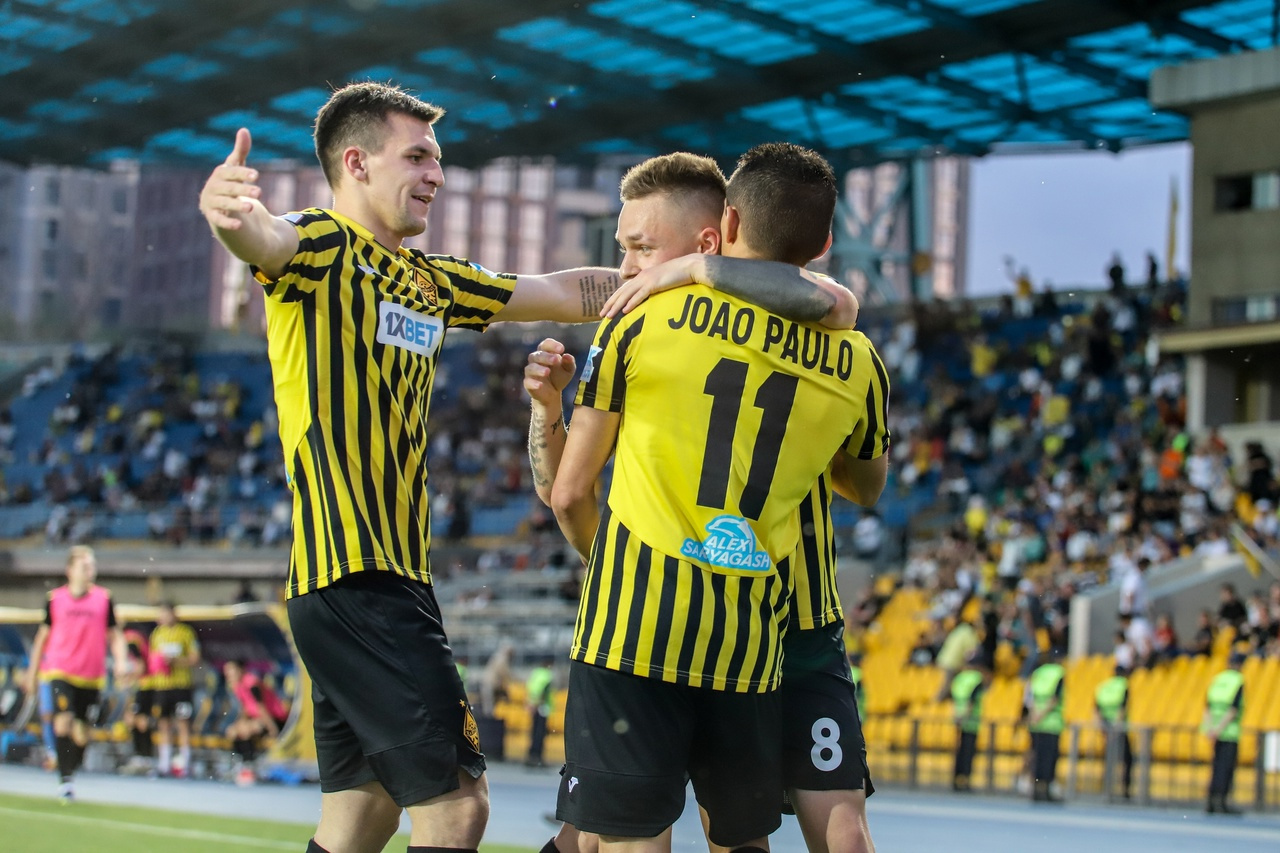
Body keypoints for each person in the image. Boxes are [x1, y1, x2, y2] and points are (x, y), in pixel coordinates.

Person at [198, 82, 855, 853]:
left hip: (372, 579)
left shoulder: (429, 281)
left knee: (362, 813)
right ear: (356, 163)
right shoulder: (319, 244)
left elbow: (559, 291)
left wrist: (690, 275)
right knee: (458, 809)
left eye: (437, 158)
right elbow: (267, 241)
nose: (437, 173)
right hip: (358, 575)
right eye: (418, 156)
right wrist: (230, 216)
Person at [526, 151, 885, 853]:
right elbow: (867, 485)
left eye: (641, 248)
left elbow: (567, 492)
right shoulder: (856, 357)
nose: (628, 268)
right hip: (758, 627)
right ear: (825, 242)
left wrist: (620, 560)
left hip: (639, 619)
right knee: (762, 834)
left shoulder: (644, 323)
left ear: (725, 228)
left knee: (608, 835)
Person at [21, 545, 129, 800]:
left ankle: (71, 768)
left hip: (91, 675)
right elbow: (42, 638)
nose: (90, 570)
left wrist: (121, 661)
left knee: (82, 733)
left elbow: (115, 636)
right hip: (60, 670)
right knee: (63, 720)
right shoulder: (55, 599)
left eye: (92, 566)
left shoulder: (103, 599)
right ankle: (65, 780)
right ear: (70, 570)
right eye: (84, 566)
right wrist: (32, 673)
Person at [147, 601, 200, 778]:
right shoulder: (157, 634)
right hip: (162, 686)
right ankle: (164, 764)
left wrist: (175, 661)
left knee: (183, 723)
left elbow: (195, 658)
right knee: (163, 723)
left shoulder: (186, 632)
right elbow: (153, 658)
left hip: (181, 686)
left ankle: (185, 763)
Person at [223, 659, 290, 785]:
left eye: (230, 670)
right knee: (232, 731)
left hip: (274, 719)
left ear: (240, 670)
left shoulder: (252, 683)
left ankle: (249, 766)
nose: (227, 674)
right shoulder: (237, 686)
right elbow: (245, 709)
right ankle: (241, 763)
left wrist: (272, 728)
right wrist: (239, 723)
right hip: (258, 719)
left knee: (246, 730)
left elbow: (261, 708)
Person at [1202, 650, 1246, 815]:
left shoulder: (1218, 679)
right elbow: (1233, 710)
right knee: (1225, 768)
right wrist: (1220, 728)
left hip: (1214, 730)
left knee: (1216, 767)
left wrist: (1210, 728)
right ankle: (1221, 802)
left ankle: (1211, 801)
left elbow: (1207, 705)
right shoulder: (1238, 680)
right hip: (1229, 731)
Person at [1026, 651, 1065, 803]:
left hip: (1036, 723)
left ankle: (1035, 789)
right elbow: (1055, 698)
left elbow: (1029, 697)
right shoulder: (1059, 673)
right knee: (1049, 758)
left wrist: (1034, 715)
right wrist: (1041, 715)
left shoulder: (1037, 674)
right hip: (1052, 723)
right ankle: (1046, 789)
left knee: (1037, 757)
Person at [1094, 663, 1133, 801]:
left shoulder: (1103, 687)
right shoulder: (1123, 685)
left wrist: (1104, 731)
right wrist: (1115, 731)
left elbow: (1096, 710)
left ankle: (1106, 789)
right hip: (1118, 729)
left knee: (1108, 760)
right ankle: (1125, 790)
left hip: (1106, 729)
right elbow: (1122, 709)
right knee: (1127, 760)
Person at [950, 654, 988, 793]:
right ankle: (964, 780)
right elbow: (972, 701)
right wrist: (965, 715)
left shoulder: (959, 678)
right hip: (970, 721)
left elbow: (954, 697)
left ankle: (956, 780)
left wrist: (958, 717)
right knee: (967, 753)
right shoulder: (976, 679)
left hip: (957, 718)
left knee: (959, 751)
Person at [121, 626, 157, 772]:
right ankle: (143, 756)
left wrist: (127, 678)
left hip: (144, 684)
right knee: (137, 720)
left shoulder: (130, 639)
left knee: (139, 721)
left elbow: (141, 666)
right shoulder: (135, 636)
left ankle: (143, 756)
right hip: (145, 684)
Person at [524, 657, 555, 769]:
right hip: (541, 708)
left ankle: (531, 756)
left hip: (534, 706)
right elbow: (540, 690)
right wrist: (536, 703)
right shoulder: (546, 675)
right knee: (539, 734)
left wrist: (530, 702)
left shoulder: (535, 673)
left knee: (534, 732)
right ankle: (537, 757)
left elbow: (531, 688)